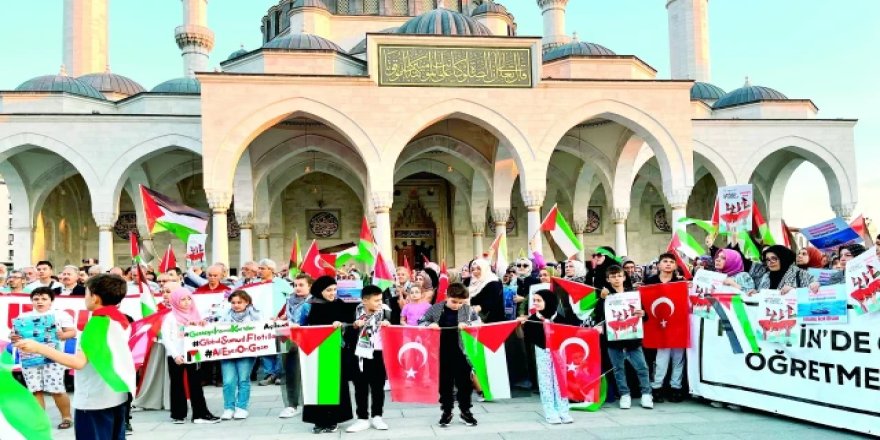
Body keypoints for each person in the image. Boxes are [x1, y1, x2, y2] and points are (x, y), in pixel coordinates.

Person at [14, 274, 133, 440]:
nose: (84, 298)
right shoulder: (120, 318)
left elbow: (78, 362)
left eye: (86, 293)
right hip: (116, 393)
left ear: (95, 298)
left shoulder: (97, 324)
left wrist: (39, 348)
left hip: (95, 399)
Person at [10, 287, 76, 430]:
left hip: (53, 358)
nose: (40, 301)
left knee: (56, 389)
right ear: (32, 301)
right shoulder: (23, 317)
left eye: (44, 298)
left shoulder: (60, 315)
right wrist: (13, 337)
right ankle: (40, 420)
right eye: (36, 299)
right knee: (35, 390)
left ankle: (66, 417)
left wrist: (62, 335)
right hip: (29, 358)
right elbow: (14, 337)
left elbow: (72, 332)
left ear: (51, 301)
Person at [419, 282, 481, 428]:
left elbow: (478, 323)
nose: (457, 305)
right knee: (445, 384)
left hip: (462, 353)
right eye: (454, 301)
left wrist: (468, 325)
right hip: (441, 352)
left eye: (460, 302)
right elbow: (421, 321)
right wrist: (430, 325)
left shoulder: (467, 309)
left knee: (464, 384)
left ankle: (465, 411)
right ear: (447, 296)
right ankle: (446, 411)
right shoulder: (436, 308)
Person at [594, 265, 653, 410]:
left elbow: (644, 315)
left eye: (619, 275)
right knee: (618, 368)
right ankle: (624, 394)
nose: (616, 279)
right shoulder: (604, 296)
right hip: (613, 337)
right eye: (613, 276)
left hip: (632, 336)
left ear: (624, 277)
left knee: (642, 367)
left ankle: (646, 393)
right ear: (608, 279)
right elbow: (598, 316)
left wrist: (643, 314)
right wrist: (602, 300)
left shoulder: (632, 294)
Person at [302, 276, 354, 434]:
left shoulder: (340, 305)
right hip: (315, 351)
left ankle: (333, 420)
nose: (332, 293)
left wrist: (342, 325)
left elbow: (352, 324)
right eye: (328, 290)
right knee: (317, 387)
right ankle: (319, 420)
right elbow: (301, 324)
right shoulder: (309, 305)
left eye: (334, 289)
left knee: (334, 386)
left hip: (335, 350)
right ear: (320, 291)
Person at [160, 288, 220, 424]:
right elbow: (166, 338)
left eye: (189, 299)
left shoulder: (196, 314)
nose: (187, 302)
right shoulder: (170, 317)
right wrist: (175, 355)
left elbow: (202, 334)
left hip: (193, 354)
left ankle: (200, 414)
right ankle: (178, 414)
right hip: (176, 355)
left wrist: (203, 325)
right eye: (183, 299)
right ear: (175, 300)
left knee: (196, 384)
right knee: (177, 384)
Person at [521, 289, 572, 424]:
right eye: (534, 301)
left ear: (548, 301)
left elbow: (571, 333)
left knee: (560, 381)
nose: (535, 303)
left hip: (559, 353)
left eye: (539, 300)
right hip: (543, 352)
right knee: (546, 382)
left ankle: (563, 410)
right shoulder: (532, 320)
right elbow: (528, 337)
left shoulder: (560, 318)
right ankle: (550, 411)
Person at [346, 285, 391, 432]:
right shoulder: (354, 312)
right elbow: (347, 335)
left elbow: (395, 326)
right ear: (365, 301)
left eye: (380, 299)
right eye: (376, 300)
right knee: (360, 387)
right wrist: (355, 326)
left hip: (378, 354)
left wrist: (387, 324)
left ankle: (377, 416)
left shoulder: (386, 311)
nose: (379, 303)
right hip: (359, 354)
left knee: (378, 387)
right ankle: (362, 418)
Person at [643, 252, 685, 403]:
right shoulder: (650, 282)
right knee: (661, 358)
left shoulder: (681, 283)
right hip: (658, 325)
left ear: (675, 266)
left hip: (678, 325)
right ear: (659, 265)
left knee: (678, 357)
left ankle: (676, 387)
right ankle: (657, 387)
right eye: (665, 261)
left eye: (671, 262)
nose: (668, 264)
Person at [218, 290, 261, 420]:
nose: (236, 305)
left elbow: (262, 330)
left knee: (243, 379)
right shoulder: (224, 316)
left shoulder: (255, 316)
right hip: (228, 353)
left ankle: (241, 407)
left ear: (247, 302)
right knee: (228, 381)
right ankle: (228, 408)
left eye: (239, 302)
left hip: (247, 352)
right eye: (233, 302)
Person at [279, 273, 312, 419]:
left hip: (307, 337)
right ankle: (292, 405)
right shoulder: (289, 300)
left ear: (310, 286)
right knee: (290, 371)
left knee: (308, 372)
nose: (297, 288)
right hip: (288, 338)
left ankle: (310, 403)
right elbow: (286, 315)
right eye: (295, 285)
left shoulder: (314, 301)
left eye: (301, 285)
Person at [257, 258, 293, 386]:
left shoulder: (280, 282)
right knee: (266, 348)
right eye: (259, 268)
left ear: (271, 270)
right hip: (261, 321)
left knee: (279, 348)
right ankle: (269, 373)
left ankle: (279, 374)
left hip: (278, 321)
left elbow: (291, 297)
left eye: (262, 268)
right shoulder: (255, 284)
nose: (259, 271)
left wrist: (285, 314)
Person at [468, 259, 504, 323]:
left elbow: (492, 301)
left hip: (491, 319)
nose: (475, 271)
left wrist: (478, 308)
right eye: (473, 269)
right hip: (474, 317)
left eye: (479, 269)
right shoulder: (471, 281)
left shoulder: (494, 282)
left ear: (485, 269)